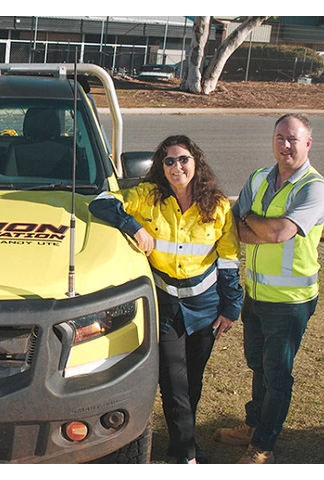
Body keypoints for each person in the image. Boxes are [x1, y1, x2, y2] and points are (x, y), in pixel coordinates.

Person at [89, 135, 243, 464]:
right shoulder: (147, 196)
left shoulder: (217, 205)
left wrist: (231, 307)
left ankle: (179, 444)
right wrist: (133, 226)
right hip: (166, 307)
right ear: (161, 167)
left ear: (196, 162)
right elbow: (100, 202)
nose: (177, 167)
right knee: (174, 382)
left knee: (193, 381)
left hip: (205, 307)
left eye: (183, 159)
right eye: (169, 161)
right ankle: (187, 456)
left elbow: (228, 259)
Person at [213, 113, 324, 464]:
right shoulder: (259, 178)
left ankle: (263, 446)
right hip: (256, 294)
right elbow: (234, 227)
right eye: (280, 137)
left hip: (290, 302)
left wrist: (251, 219)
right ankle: (253, 426)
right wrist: (260, 227)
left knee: (277, 374)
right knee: (258, 365)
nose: (285, 145)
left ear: (308, 143)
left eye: (293, 139)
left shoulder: (314, 188)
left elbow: (280, 233)